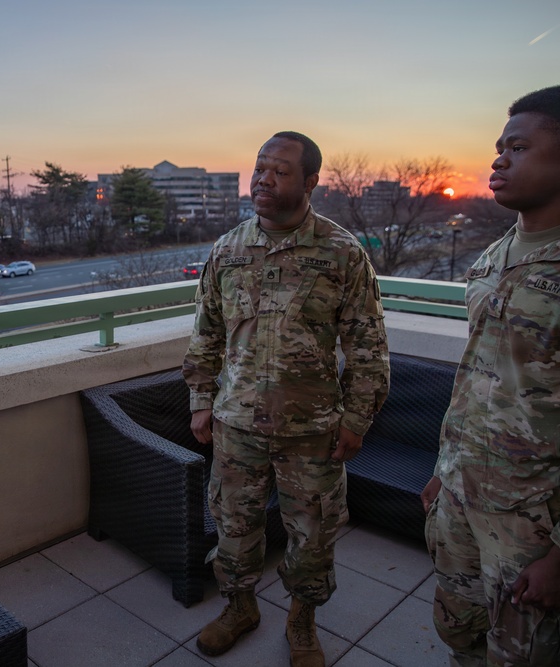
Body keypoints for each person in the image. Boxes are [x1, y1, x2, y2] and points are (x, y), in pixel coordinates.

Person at [421, 85, 560, 666]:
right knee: (460, 639)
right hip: (462, 502)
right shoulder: (494, 257)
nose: (498, 159)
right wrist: (445, 470)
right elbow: (475, 380)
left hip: (539, 525)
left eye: (517, 147)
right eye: (498, 147)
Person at [183, 131, 390, 666]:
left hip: (312, 432)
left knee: (313, 537)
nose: (263, 178)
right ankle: (239, 607)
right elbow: (205, 334)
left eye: (279, 170)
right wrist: (201, 401)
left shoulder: (342, 253)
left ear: (310, 181)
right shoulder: (227, 251)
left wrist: (356, 420)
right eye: (259, 167)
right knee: (234, 528)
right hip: (236, 426)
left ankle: (302, 621)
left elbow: (367, 347)